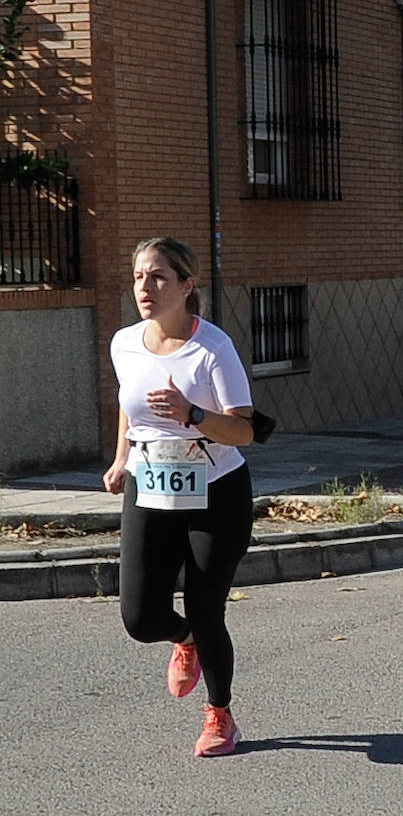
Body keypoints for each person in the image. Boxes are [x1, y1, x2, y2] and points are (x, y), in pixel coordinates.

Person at [102, 237, 257, 755]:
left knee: (206, 606)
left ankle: (220, 715)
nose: (145, 287)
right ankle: (183, 639)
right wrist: (122, 455)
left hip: (216, 491)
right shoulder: (124, 342)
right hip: (151, 485)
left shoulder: (212, 347)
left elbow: (243, 431)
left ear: (187, 286)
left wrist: (191, 413)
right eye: (140, 276)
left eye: (159, 277)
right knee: (139, 618)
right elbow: (130, 402)